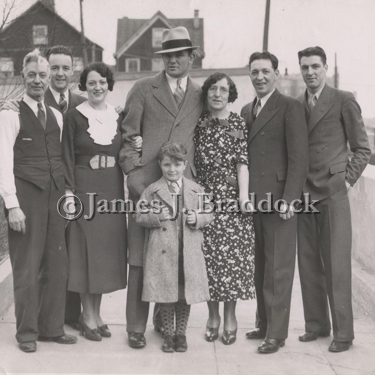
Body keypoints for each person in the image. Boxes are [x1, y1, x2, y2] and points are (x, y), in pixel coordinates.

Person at [119, 26, 203, 348]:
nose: (172, 60)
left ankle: (164, 322)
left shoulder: (199, 94)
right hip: (147, 190)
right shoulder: (143, 88)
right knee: (140, 260)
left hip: (184, 190)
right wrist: (133, 174)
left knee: (177, 261)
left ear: (191, 57)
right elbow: (128, 136)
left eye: (179, 55)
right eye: (167, 55)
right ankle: (136, 327)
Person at [0, 49, 77, 352]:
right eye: (31, 74)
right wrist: (11, 204)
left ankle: (51, 327)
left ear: (49, 80)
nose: (38, 80)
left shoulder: (56, 114)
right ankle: (27, 333)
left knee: (57, 264)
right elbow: (3, 161)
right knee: (27, 268)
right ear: (23, 75)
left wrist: (67, 198)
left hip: (55, 197)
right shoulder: (9, 114)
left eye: (43, 75)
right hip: (26, 198)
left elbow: (58, 159)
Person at [296, 46, 371, 352]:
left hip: (334, 193)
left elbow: (362, 149)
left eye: (315, 66)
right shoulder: (295, 104)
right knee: (309, 261)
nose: (310, 72)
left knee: (337, 264)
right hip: (304, 195)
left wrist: (347, 180)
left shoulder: (343, 100)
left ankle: (343, 334)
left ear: (325, 67)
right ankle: (316, 324)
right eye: (304, 67)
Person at [241, 51, 309, 354]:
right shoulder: (246, 109)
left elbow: (299, 158)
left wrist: (289, 200)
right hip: (254, 201)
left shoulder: (290, 107)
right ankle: (264, 324)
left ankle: (277, 334)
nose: (260, 77)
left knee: (278, 269)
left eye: (266, 71)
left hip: (279, 202)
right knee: (260, 267)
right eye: (255, 72)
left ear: (277, 74)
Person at [62, 62, 127, 341]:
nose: (97, 87)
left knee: (103, 252)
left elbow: (128, 146)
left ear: (108, 84)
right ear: (84, 86)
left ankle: (97, 313)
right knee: (84, 251)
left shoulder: (118, 115)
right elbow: (65, 156)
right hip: (83, 187)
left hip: (111, 187)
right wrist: (68, 193)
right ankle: (86, 314)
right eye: (91, 83)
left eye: (102, 82)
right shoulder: (74, 116)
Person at [194, 72, 255, 345]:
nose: (218, 94)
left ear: (230, 94)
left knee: (232, 263)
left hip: (231, 200)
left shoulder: (237, 123)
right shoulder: (199, 125)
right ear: (206, 93)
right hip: (205, 199)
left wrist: (243, 198)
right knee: (208, 262)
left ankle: (230, 317)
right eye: (213, 89)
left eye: (223, 89)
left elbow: (242, 163)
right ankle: (213, 317)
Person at [136, 141, 213, 352]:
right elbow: (139, 215)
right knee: (166, 293)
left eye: (177, 165)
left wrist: (197, 217)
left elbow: (209, 213)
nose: (172, 170)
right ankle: (168, 335)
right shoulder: (153, 190)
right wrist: (157, 216)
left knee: (183, 293)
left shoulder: (197, 190)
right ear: (160, 164)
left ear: (185, 165)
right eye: (168, 165)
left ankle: (181, 334)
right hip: (163, 251)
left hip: (186, 251)